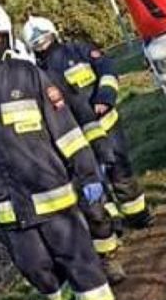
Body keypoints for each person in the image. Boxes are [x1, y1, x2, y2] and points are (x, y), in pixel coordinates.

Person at [0, 0, 120, 300]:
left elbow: (66, 131)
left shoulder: (29, 76)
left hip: (51, 194)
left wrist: (87, 174)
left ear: (6, 39)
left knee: (77, 258)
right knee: (36, 269)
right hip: (7, 205)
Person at [22, 17, 154, 232]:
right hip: (75, 137)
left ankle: (138, 216)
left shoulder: (78, 50)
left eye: (44, 38)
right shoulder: (38, 74)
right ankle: (113, 224)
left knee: (119, 169)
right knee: (93, 180)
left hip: (105, 123)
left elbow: (107, 69)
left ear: (54, 34)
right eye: (36, 43)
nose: (42, 44)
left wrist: (105, 97)